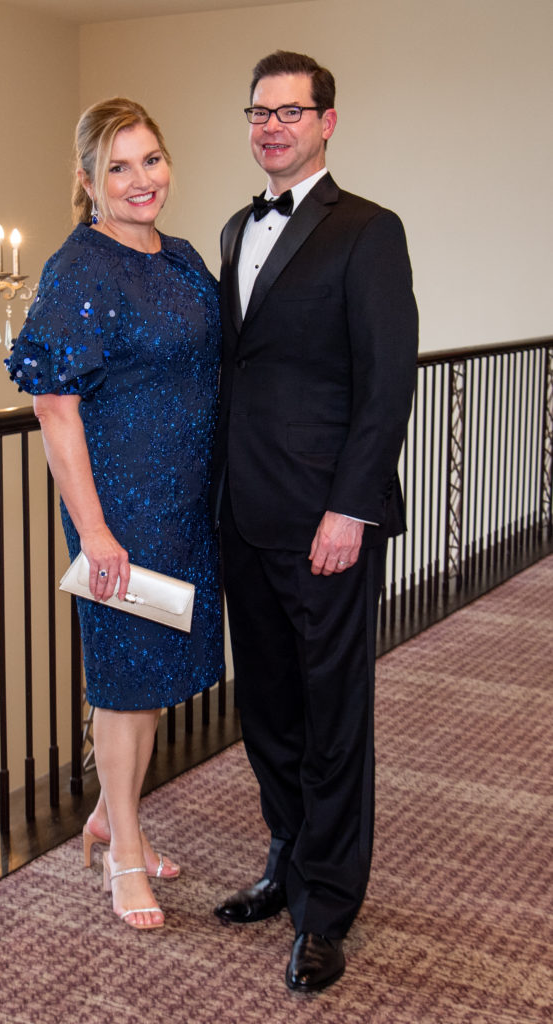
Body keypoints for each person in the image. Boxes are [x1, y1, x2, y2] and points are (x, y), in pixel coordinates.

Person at [211, 51, 418, 990]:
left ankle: (327, 907)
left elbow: (385, 382)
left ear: (326, 122)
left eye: (290, 111)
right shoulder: (233, 228)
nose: (271, 126)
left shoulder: (368, 230)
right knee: (266, 708)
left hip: (325, 522)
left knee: (332, 715)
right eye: (259, 111)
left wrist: (349, 507)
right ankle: (287, 861)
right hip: (243, 515)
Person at [7, 97, 224, 931]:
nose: (141, 180)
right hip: (120, 510)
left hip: (184, 504)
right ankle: (124, 853)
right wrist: (94, 532)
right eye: (119, 167)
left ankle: (109, 814)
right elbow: (54, 409)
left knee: (155, 678)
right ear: (88, 180)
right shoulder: (78, 268)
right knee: (125, 683)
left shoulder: (182, 258)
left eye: (151, 160)